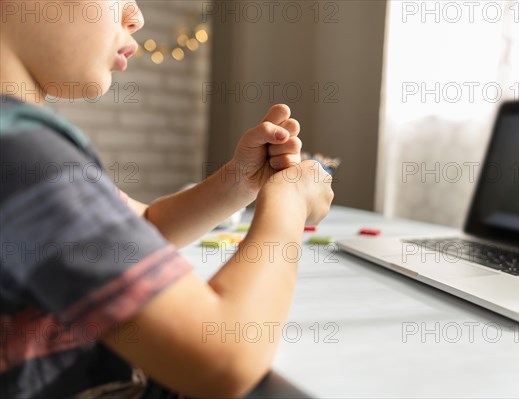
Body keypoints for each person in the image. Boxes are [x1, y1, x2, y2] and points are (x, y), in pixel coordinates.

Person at [0, 1, 334, 398]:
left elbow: (143, 228)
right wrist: (290, 201)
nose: (136, 16)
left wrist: (239, 182)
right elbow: (225, 357)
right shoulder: (23, 156)